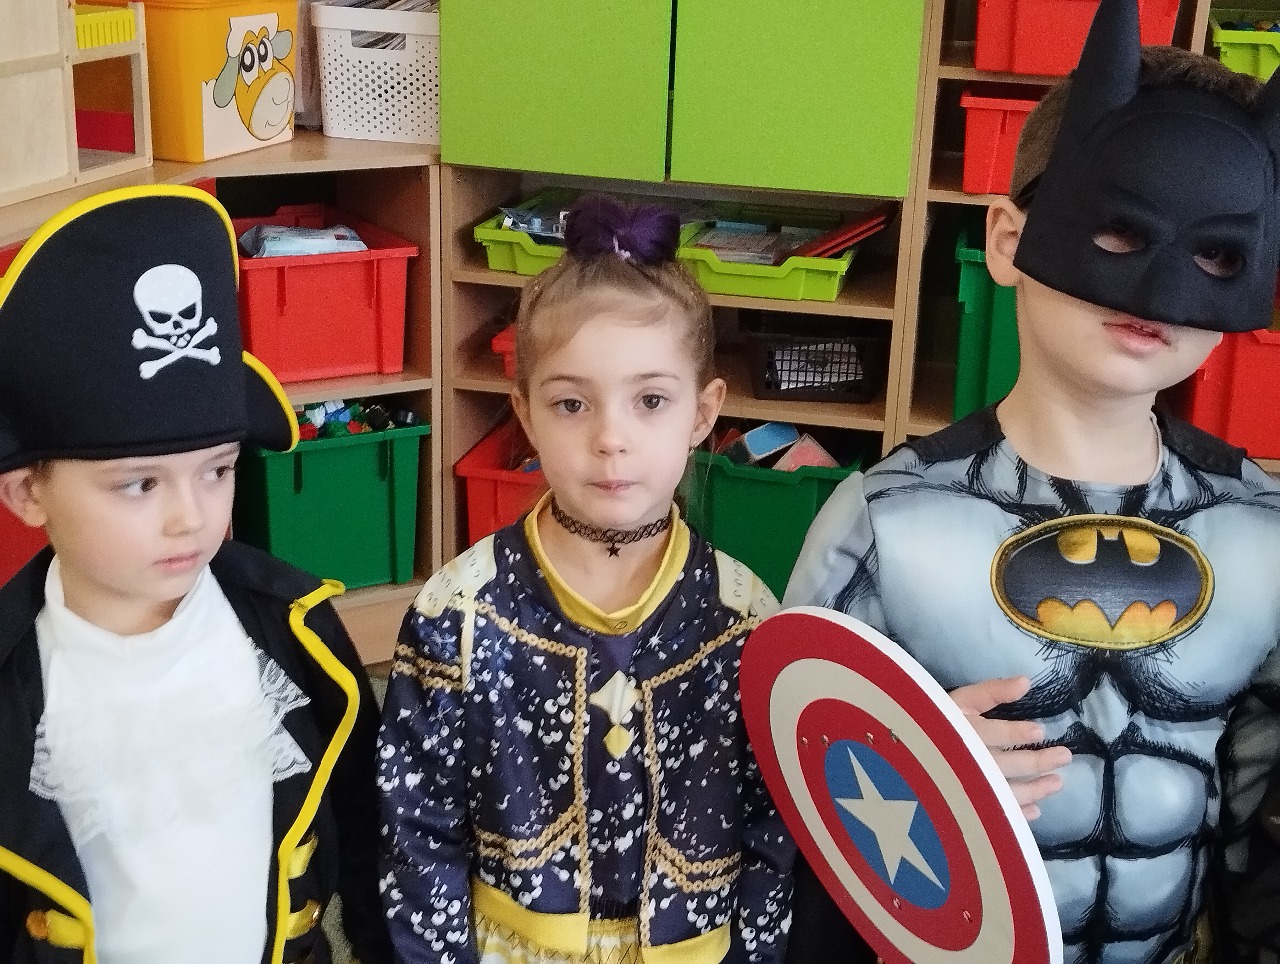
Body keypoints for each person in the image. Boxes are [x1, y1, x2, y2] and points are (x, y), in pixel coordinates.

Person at [781, 0, 1280, 961]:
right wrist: (902, 767)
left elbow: (1256, 823)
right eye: (1120, 232)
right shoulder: (885, 523)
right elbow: (793, 792)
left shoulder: (1263, 536)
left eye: (1218, 253)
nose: (1160, 290)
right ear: (1009, 243)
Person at [376, 196, 794, 964]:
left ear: (703, 414)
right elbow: (416, 832)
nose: (610, 438)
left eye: (651, 401)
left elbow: (774, 834)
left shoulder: (747, 622)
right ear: (525, 414)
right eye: (571, 403)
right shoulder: (457, 615)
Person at [0, 186, 390, 964]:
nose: (191, 517)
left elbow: (368, 822)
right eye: (140, 484)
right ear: (28, 493)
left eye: (216, 471)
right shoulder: (13, 683)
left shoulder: (297, 630)